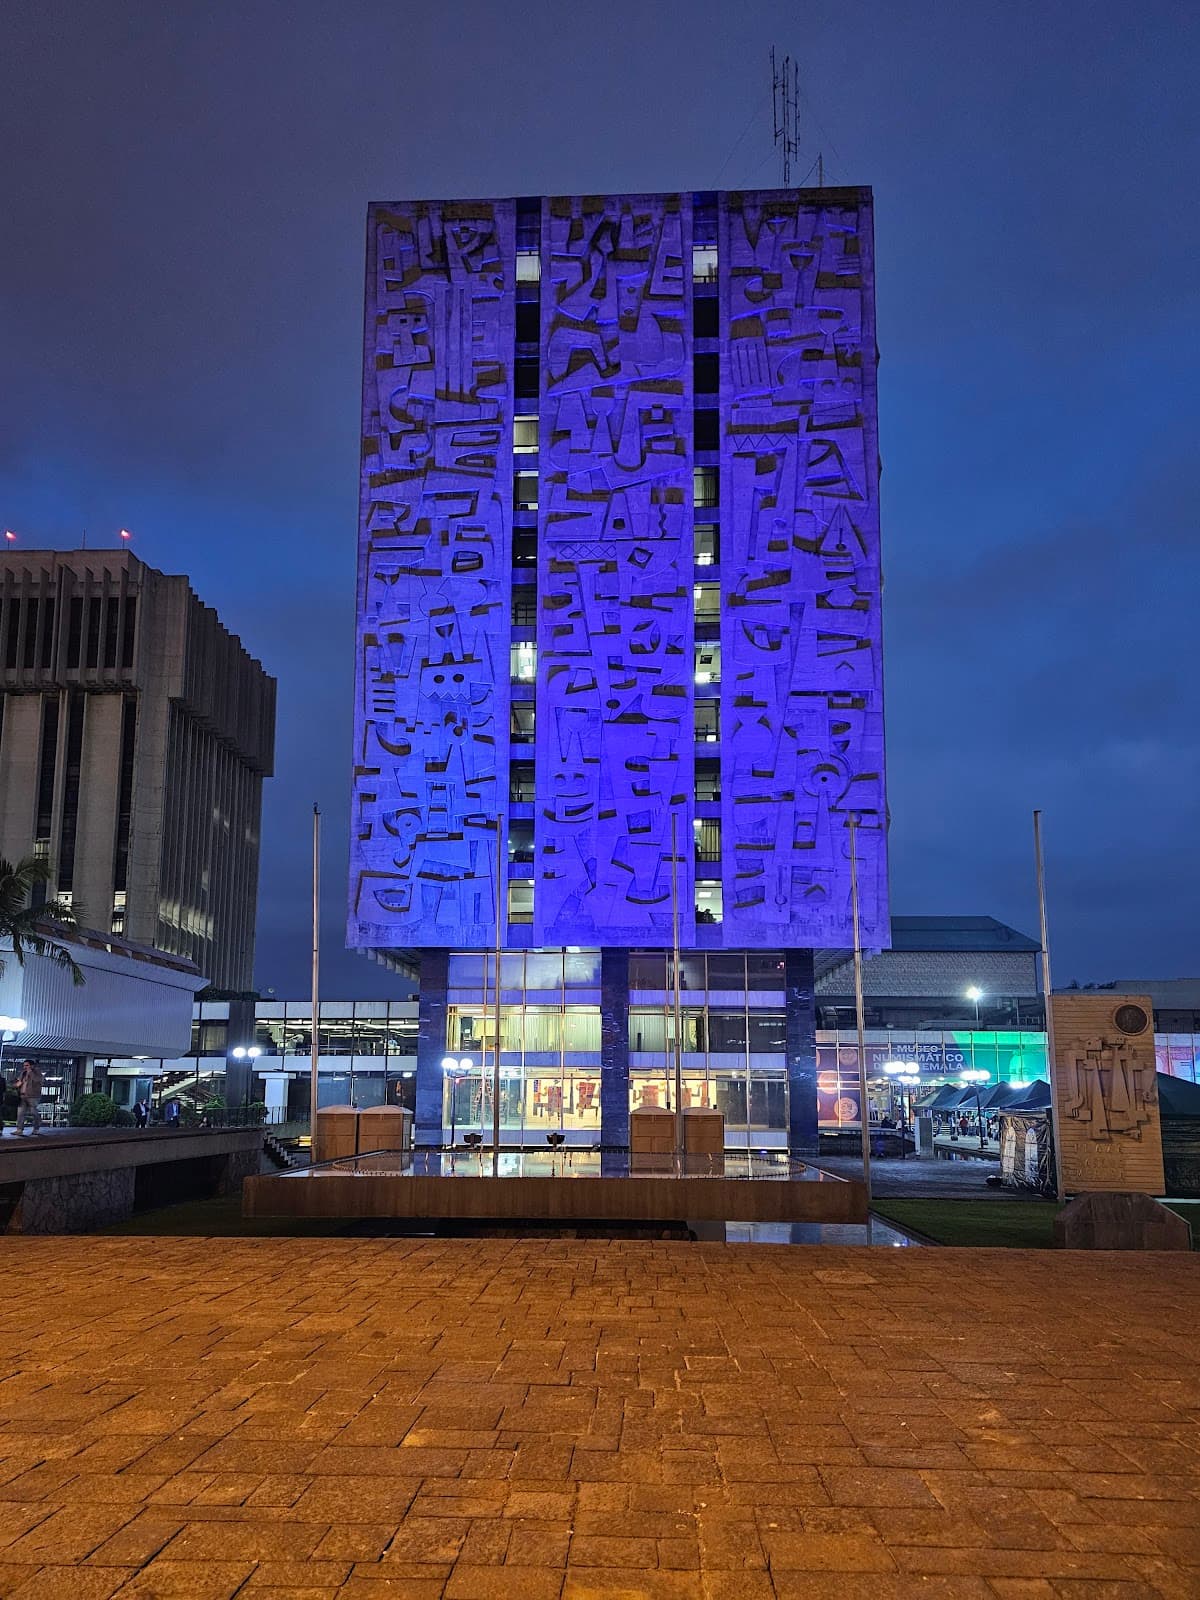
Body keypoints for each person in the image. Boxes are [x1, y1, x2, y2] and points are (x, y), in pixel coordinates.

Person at [15, 1059, 43, 1136]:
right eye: (24, 1065)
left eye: (27, 1065)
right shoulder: (23, 1073)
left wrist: (30, 1072)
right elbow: (20, 1082)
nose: (25, 1067)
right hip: (23, 1095)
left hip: (33, 1096)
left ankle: (36, 1128)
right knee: (20, 1113)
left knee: (33, 1112)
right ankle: (19, 1129)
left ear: (32, 1066)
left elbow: (37, 1080)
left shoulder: (37, 1073)